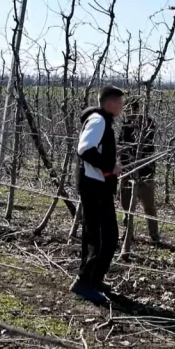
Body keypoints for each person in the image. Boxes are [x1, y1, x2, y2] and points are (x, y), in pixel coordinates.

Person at [71, 85, 124, 304]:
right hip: (93, 185)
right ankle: (84, 282)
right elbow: (84, 149)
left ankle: (94, 278)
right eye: (119, 102)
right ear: (109, 103)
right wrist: (110, 166)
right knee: (99, 235)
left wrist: (110, 167)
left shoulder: (102, 120)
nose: (122, 106)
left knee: (109, 235)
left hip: (98, 184)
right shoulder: (99, 120)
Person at [118, 97, 160, 242]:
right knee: (126, 206)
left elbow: (147, 143)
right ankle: (128, 233)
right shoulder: (125, 126)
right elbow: (121, 147)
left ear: (136, 108)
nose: (127, 112)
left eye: (129, 109)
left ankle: (154, 235)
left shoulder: (147, 123)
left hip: (145, 173)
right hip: (127, 173)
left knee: (149, 207)